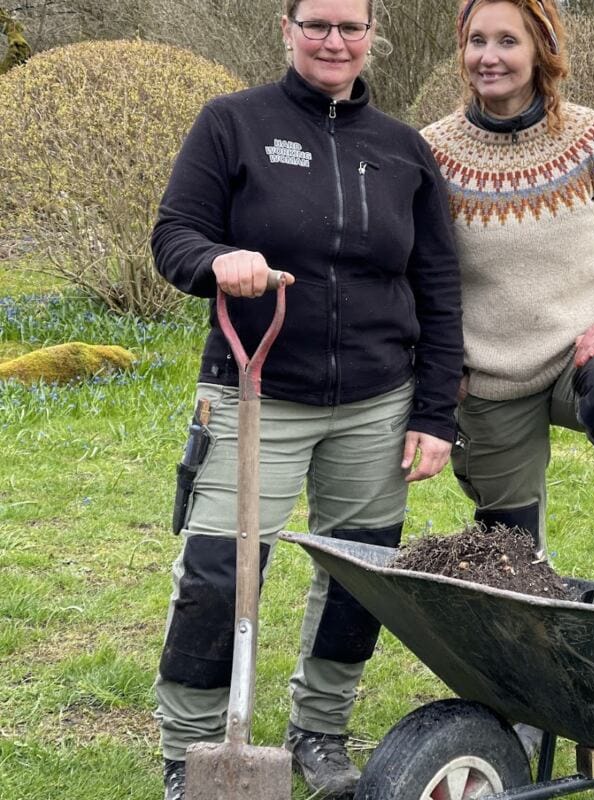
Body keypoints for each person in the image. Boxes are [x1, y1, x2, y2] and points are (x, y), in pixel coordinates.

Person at [150, 0, 463, 797]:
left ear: (371, 35)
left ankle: (320, 730)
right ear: (286, 30)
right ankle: (191, 750)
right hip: (257, 389)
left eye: (350, 26)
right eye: (316, 24)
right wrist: (219, 259)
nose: (334, 40)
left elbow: (437, 285)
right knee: (221, 570)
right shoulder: (232, 124)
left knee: (359, 574)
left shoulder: (402, 150)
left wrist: (434, 413)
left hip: (376, 398)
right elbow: (175, 234)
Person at [421, 0, 594, 563]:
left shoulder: (592, 139)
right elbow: (413, 271)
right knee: (508, 557)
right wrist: (438, 364)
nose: (489, 57)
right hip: (485, 375)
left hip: (579, 360)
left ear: (541, 49)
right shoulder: (432, 153)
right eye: (476, 41)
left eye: (508, 41)